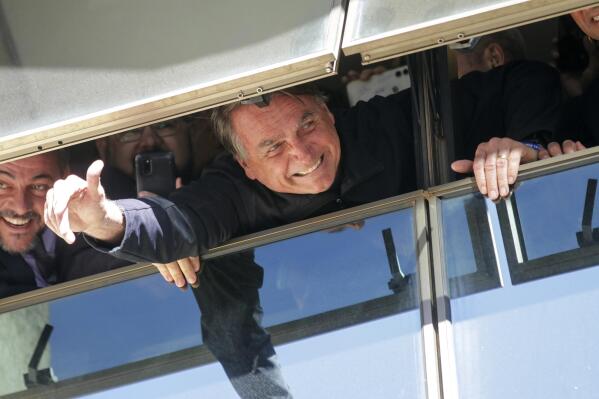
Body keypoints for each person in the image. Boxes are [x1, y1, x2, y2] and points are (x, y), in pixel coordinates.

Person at [94, 117, 290, 399]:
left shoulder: (232, 186)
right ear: (103, 147)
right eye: (131, 132)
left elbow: (233, 325)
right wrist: (130, 232)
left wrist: (184, 221)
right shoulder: (88, 216)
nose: (149, 141)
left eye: (165, 126)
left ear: (192, 132)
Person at [0, 151, 127, 299]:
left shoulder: (104, 196)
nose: (20, 207)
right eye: (2, 185)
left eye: (39, 187)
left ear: (64, 176)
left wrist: (103, 225)